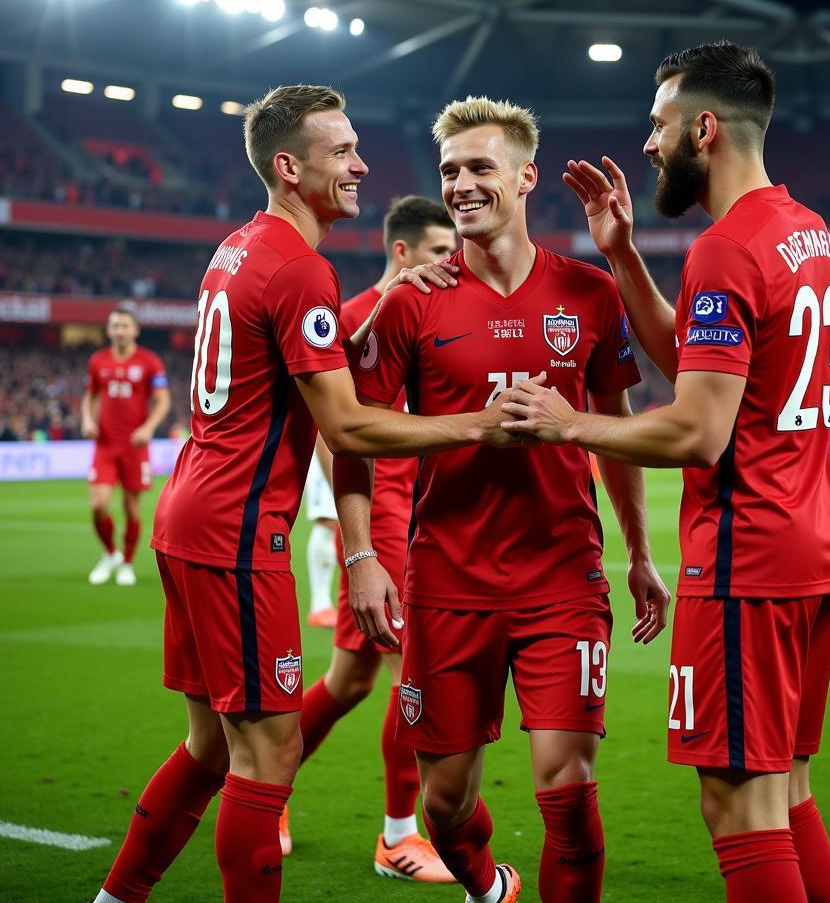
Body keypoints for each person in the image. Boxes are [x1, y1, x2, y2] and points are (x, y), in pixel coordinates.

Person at [92, 84, 517, 903]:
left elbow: (286, 367)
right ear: (290, 168)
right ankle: (397, 839)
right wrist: (477, 426)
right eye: (343, 153)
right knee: (268, 759)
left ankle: (114, 899)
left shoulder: (242, 247)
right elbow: (350, 427)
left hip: (190, 512)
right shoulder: (300, 268)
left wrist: (385, 302)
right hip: (237, 532)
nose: (362, 165)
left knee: (211, 749)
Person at [503, 42, 830, 903]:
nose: (650, 144)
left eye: (659, 125)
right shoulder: (806, 231)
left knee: (738, 809)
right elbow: (706, 370)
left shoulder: (727, 248)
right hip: (815, 547)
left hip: (746, 560)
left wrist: (568, 422)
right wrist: (622, 255)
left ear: (706, 126)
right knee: (785, 789)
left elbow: (698, 432)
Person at [333, 95, 670, 903]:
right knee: (444, 807)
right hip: (447, 582)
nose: (461, 185)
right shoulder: (412, 300)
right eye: (450, 171)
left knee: (568, 790)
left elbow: (613, 430)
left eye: (480, 168)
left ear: (526, 177)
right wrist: (362, 555)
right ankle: (487, 886)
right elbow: (352, 435)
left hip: (563, 576)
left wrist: (641, 556)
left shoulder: (589, 292)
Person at [282, 195, 458, 883]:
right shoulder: (353, 317)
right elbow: (334, 430)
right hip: (383, 519)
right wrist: (363, 547)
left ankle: (268, 790)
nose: (455, 263)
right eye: (441, 252)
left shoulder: (438, 313)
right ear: (403, 252)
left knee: (349, 680)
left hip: (425, 517)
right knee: (413, 677)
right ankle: (397, 837)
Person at [82, 307, 171, 587]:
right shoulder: (98, 361)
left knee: (132, 508)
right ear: (109, 330)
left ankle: (127, 563)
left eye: (124, 325)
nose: (119, 330)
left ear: (135, 330)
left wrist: (148, 428)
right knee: (98, 505)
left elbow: (163, 400)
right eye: (115, 326)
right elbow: (90, 395)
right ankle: (110, 553)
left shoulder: (149, 361)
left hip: (135, 445)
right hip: (105, 445)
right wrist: (87, 418)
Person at [302, 453, 341, 627]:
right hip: (326, 449)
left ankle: (325, 605)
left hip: (349, 445)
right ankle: (320, 605)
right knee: (328, 520)